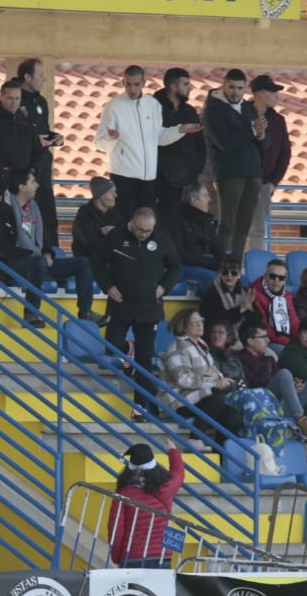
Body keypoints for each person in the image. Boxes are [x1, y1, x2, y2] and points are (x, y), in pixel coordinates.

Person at [94, 204, 181, 421]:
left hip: (149, 308)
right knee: (112, 344)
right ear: (133, 222)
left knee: (144, 359)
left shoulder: (162, 240)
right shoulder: (116, 236)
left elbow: (176, 268)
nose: (143, 234)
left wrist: (163, 287)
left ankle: (139, 408)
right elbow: (96, 261)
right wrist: (108, 286)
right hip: (121, 303)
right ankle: (126, 349)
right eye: (140, 230)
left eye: (147, 231)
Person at [95, 64, 187, 221]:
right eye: (128, 84)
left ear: (144, 83)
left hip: (149, 177)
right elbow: (100, 144)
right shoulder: (113, 106)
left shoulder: (153, 105)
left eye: (136, 84)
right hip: (123, 175)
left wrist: (180, 130)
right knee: (124, 221)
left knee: (147, 221)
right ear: (123, 83)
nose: (132, 89)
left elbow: (159, 137)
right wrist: (111, 138)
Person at [204, 68, 263, 260]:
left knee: (244, 224)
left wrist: (260, 135)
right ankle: (223, 264)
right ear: (223, 85)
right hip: (229, 172)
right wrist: (252, 131)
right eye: (231, 87)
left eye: (240, 88)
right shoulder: (213, 109)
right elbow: (224, 142)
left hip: (252, 170)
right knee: (228, 222)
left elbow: (261, 138)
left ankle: (235, 264)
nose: (235, 92)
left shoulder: (248, 107)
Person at [0, 166, 50, 328]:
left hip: (36, 259)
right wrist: (28, 254)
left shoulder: (35, 209)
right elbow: (0, 249)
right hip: (9, 264)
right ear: (21, 187)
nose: (37, 185)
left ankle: (86, 314)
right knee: (38, 263)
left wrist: (48, 252)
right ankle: (31, 314)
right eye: (33, 181)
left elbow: (44, 240)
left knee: (81, 265)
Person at [160, 307, 242, 436]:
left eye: (201, 320)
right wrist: (212, 382)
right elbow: (182, 379)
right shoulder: (178, 347)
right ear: (184, 326)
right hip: (180, 400)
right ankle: (195, 438)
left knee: (234, 416)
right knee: (217, 396)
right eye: (194, 322)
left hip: (199, 396)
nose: (200, 324)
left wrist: (217, 378)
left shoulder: (201, 344)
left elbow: (214, 371)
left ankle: (220, 452)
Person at [234, 322, 307, 434]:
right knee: (284, 373)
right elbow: (250, 388)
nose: (268, 340)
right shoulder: (238, 361)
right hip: (260, 406)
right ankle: (302, 420)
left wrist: (292, 385)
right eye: (263, 337)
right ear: (250, 341)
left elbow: (280, 382)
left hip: (280, 404)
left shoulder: (269, 359)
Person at [14, 58, 62, 256]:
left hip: (43, 168)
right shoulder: (17, 101)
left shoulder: (41, 101)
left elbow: (42, 131)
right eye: (40, 75)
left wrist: (53, 137)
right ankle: (29, 257)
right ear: (27, 77)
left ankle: (52, 256)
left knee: (49, 215)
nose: (44, 80)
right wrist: (36, 141)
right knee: (25, 216)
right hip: (26, 170)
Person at [109, 444, 182, 568]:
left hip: (131, 556)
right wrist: (173, 451)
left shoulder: (123, 493)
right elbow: (178, 473)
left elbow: (116, 530)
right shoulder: (166, 487)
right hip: (162, 555)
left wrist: (116, 557)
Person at [152, 69, 206, 231]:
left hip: (188, 179)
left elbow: (199, 143)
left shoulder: (189, 111)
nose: (190, 88)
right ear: (173, 87)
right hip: (161, 181)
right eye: (185, 84)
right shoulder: (154, 109)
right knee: (164, 223)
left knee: (186, 226)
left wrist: (196, 171)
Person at [68, 176, 123, 319]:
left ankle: (117, 315)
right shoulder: (83, 216)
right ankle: (88, 312)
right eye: (112, 192)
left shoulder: (115, 214)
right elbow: (88, 245)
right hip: (92, 263)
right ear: (101, 195)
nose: (115, 195)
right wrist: (103, 234)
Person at [248, 75, 291, 253]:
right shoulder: (241, 114)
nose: (276, 96)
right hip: (240, 181)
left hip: (264, 184)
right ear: (260, 93)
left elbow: (285, 153)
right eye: (272, 92)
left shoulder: (279, 121)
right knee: (233, 228)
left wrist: (273, 182)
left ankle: (255, 270)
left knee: (258, 230)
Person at [171, 182, 220, 291]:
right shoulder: (177, 221)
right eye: (205, 196)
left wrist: (226, 263)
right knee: (214, 279)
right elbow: (180, 255)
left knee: (241, 280)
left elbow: (218, 248)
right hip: (186, 266)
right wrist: (209, 263)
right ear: (193, 200)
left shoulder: (207, 221)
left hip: (206, 263)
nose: (209, 200)